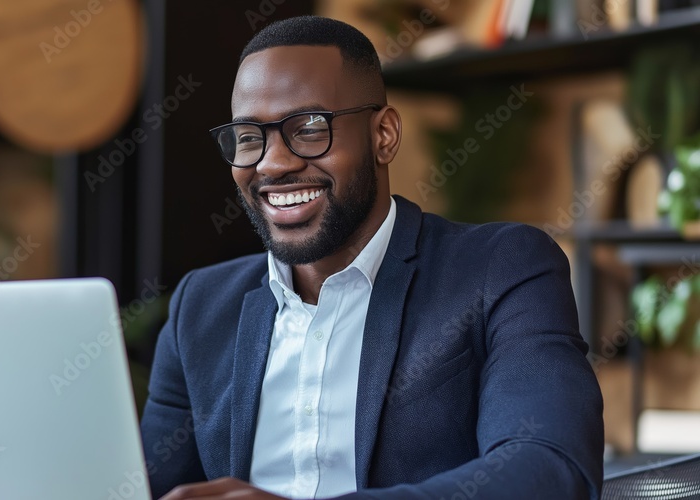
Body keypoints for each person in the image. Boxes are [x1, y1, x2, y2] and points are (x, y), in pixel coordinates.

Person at [139, 15, 603, 500]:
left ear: (383, 135)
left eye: (309, 128)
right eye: (250, 138)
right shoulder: (201, 306)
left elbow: (549, 468)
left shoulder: (503, 269)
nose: (273, 164)